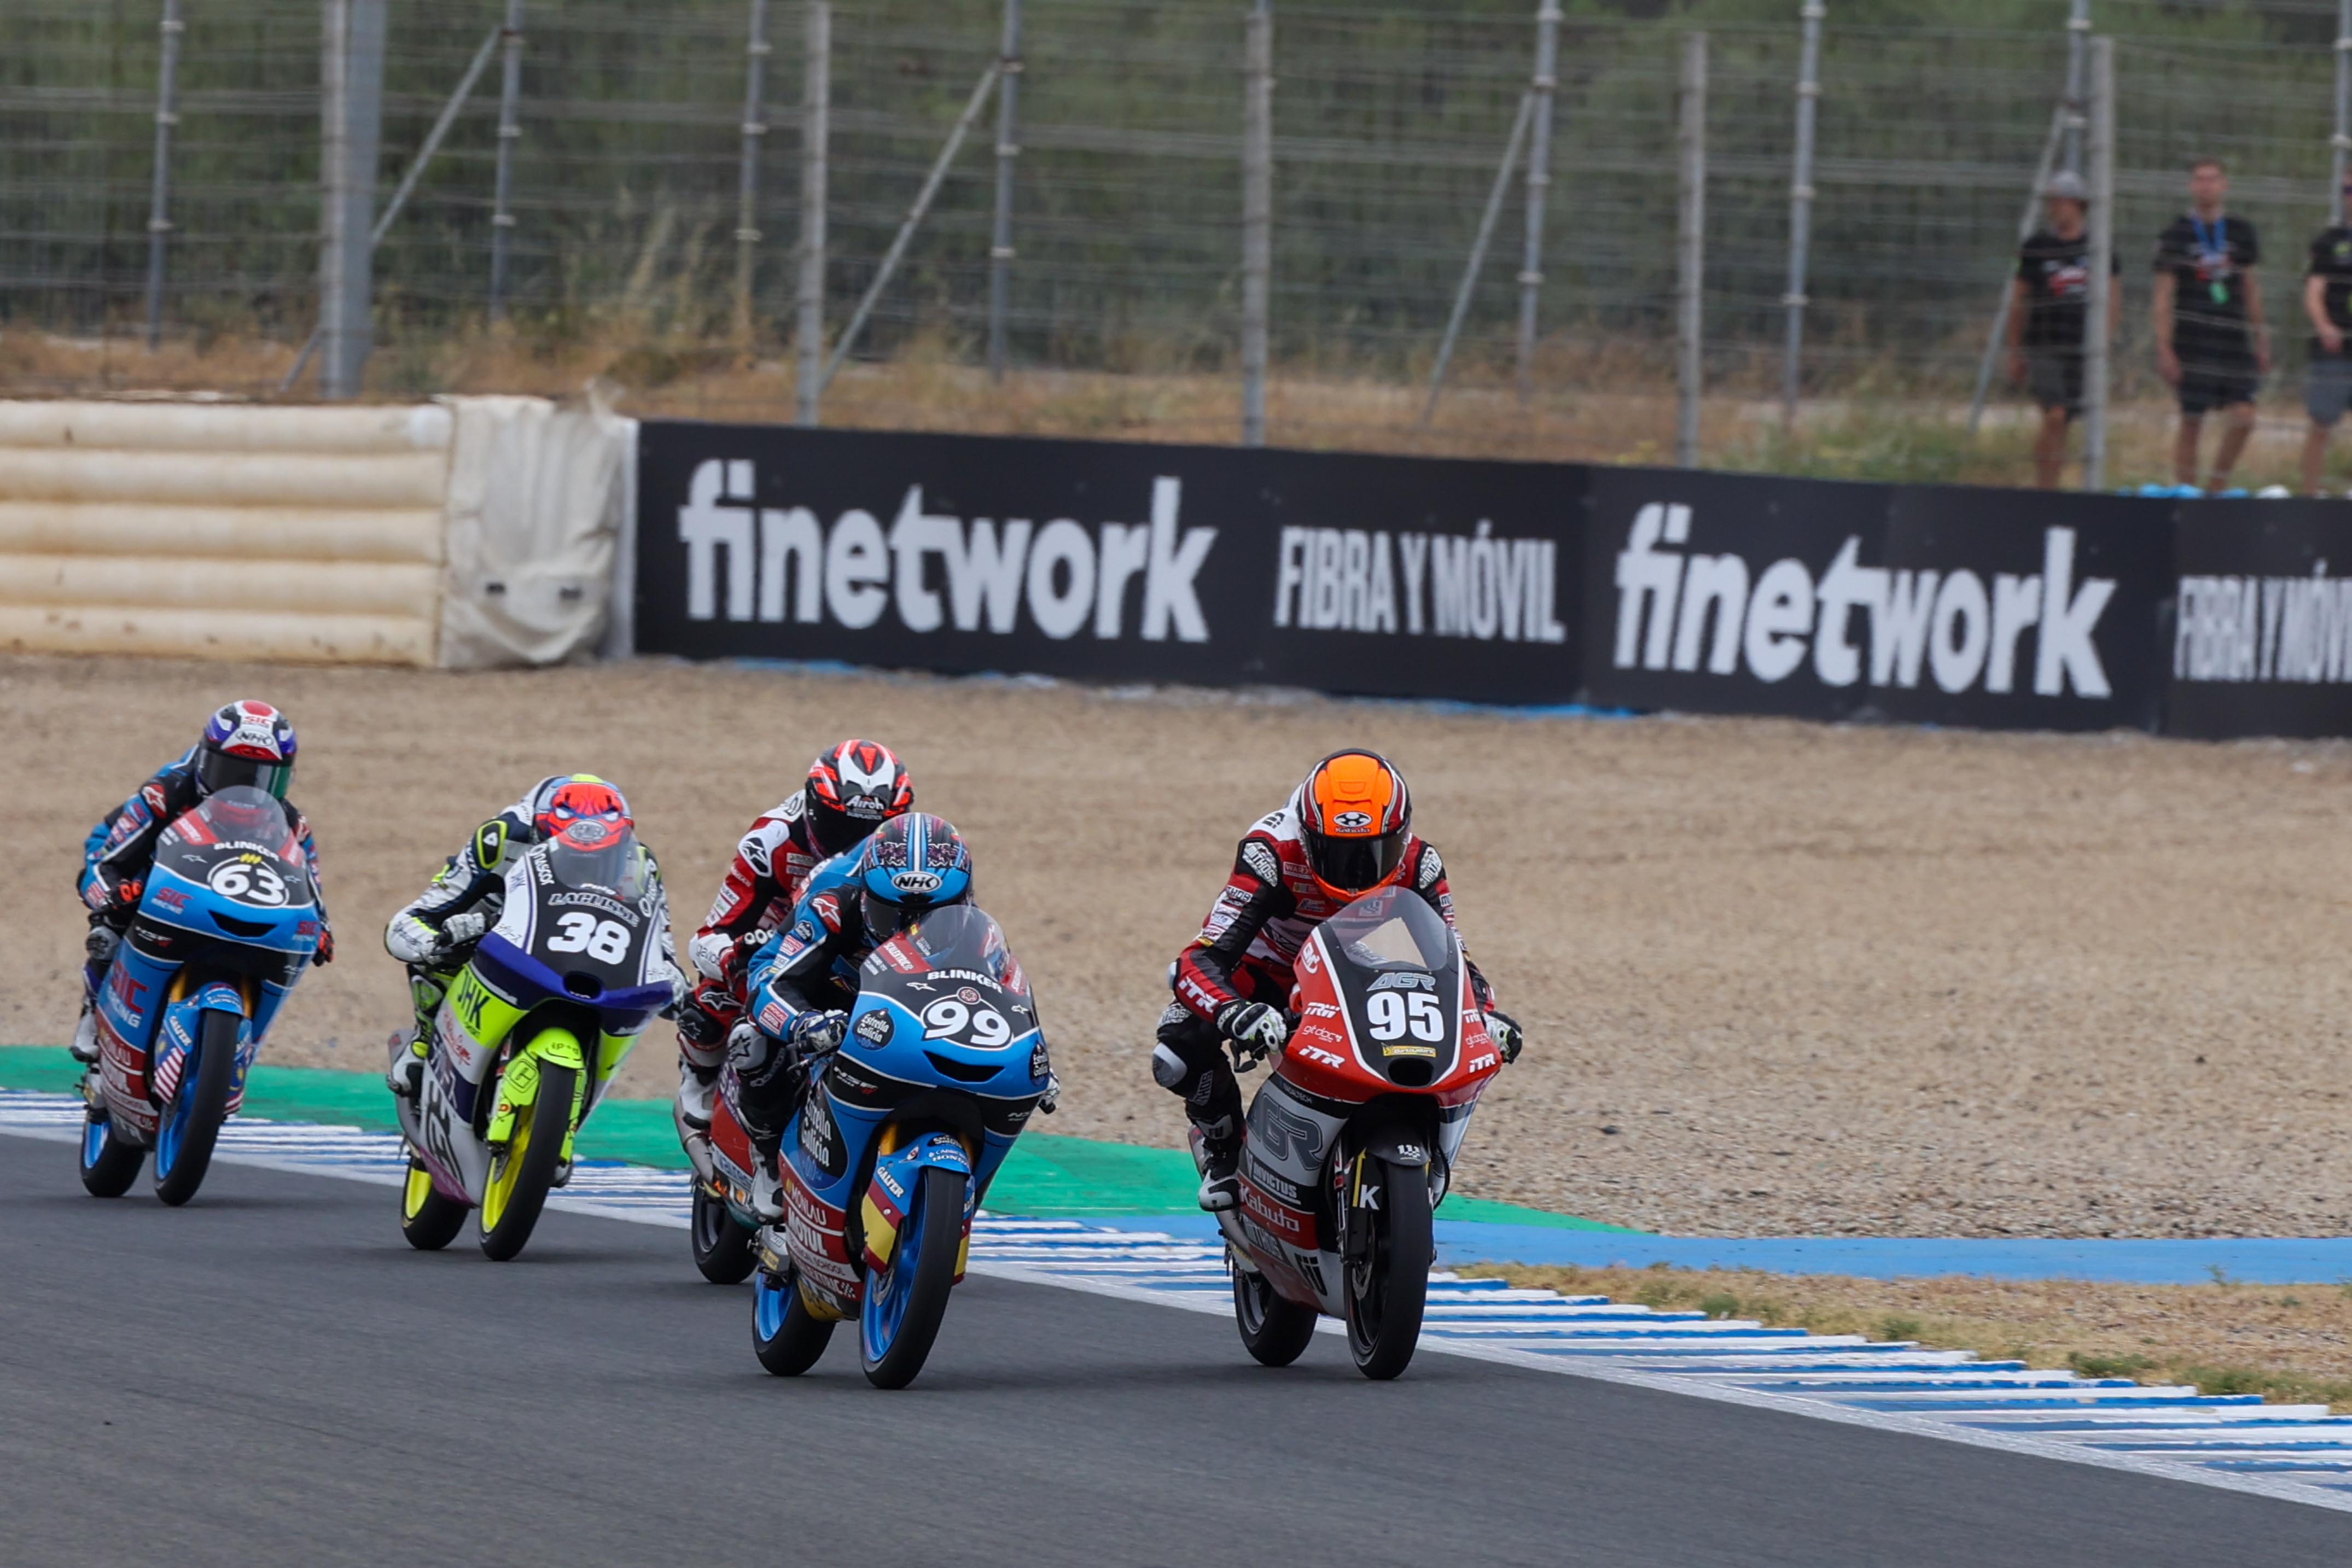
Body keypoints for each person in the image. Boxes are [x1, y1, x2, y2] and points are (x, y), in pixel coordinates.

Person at [1154, 750, 1522, 1212]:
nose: (1354, 872)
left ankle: (1419, 1148)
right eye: (1336, 853)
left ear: (1402, 834)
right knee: (1176, 1047)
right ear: (1307, 836)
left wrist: (1484, 1017)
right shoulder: (1269, 852)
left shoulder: (1420, 863)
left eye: (1372, 854)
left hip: (1368, 972)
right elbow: (1199, 958)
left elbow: (1456, 958)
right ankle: (1225, 1150)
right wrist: (1233, 1010)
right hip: (1271, 974)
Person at [672, 740, 913, 1169]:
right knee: (721, 1000)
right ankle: (704, 1078)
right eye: (842, 828)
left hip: (857, 947)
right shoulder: (773, 840)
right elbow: (710, 936)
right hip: (780, 943)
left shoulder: (903, 856)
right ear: (814, 808)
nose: (854, 844)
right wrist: (737, 958)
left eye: (872, 829)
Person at [726, 812, 978, 1219]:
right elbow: (773, 981)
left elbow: (998, 989)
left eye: (928, 916)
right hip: (824, 989)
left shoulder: (969, 923)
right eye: (891, 914)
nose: (908, 931)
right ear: (866, 895)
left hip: (904, 1004)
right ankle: (768, 1158)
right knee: (752, 1039)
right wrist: (804, 1022)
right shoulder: (833, 903)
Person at [72, 701, 334, 1065]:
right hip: (139, 859)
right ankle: (92, 1009)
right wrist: (114, 893)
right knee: (113, 921)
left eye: (263, 777)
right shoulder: (166, 793)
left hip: (218, 883)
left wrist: (322, 930)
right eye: (232, 772)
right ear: (205, 761)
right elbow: (104, 865)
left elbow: (312, 887)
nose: (246, 788)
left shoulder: (290, 821)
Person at [382, 774, 652, 1099]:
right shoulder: (499, 838)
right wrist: (436, 943)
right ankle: (426, 1042)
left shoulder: (640, 865)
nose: (583, 870)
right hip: (498, 919)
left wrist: (673, 978)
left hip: (586, 943)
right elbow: (415, 917)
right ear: (539, 836)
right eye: (573, 857)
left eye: (598, 860)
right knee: (444, 947)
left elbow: (656, 938)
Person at [2153, 157, 2268, 492]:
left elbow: (2251, 288)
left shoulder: (2240, 231)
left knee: (2245, 417)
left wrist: (2262, 338)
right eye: (2200, 180)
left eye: (2213, 179)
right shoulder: (2176, 233)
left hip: (2233, 338)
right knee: (2192, 420)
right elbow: (2162, 296)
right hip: (2192, 339)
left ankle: (2216, 488)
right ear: (2192, 186)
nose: (2206, 185)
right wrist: (2164, 347)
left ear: (2224, 185)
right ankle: (2187, 495)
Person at [2007, 171, 2120, 489]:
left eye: (2060, 200)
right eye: (2051, 201)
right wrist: (2015, 350)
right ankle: (2045, 488)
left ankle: (2052, 486)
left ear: (2077, 204)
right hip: (2044, 344)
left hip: (2083, 347)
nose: (2054, 208)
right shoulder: (2036, 247)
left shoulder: (2098, 248)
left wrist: (2105, 344)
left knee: (2065, 420)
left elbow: (2113, 298)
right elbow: (2019, 301)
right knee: (2055, 414)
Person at [2302, 182, 2352, 496]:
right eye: (2348, 190)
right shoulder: (2329, 242)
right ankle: (2311, 496)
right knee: (2322, 423)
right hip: (2336, 349)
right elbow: (2313, 292)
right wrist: (2324, 325)